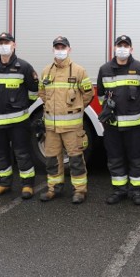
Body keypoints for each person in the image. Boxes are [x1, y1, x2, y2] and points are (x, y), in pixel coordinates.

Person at [97, 35, 140, 206]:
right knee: (115, 158)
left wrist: (139, 109)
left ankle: (136, 191)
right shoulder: (105, 69)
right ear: (114, 48)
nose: (122, 48)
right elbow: (101, 95)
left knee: (136, 159)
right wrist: (108, 110)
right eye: (119, 45)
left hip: (134, 126)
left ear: (131, 49)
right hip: (112, 126)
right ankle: (119, 190)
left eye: (125, 46)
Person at [37, 36, 94, 204]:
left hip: (72, 128)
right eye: (57, 47)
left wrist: (75, 109)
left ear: (69, 49)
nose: (60, 50)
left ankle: (80, 191)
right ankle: (54, 188)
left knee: (76, 160)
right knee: (52, 160)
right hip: (51, 129)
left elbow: (88, 94)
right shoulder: (46, 71)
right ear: (53, 50)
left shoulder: (78, 71)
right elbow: (42, 93)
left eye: (63, 47)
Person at [0, 32, 39, 200]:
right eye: (0, 42)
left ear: (14, 45)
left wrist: (21, 106)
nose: (3, 45)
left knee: (22, 153)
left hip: (18, 122)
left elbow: (34, 92)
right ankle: (3, 183)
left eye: (6, 42)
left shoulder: (24, 67)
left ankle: (27, 185)